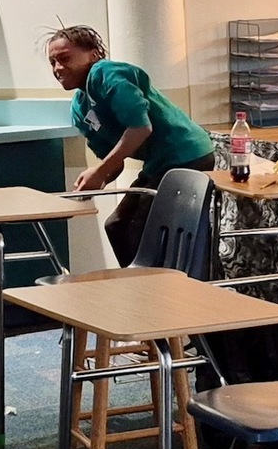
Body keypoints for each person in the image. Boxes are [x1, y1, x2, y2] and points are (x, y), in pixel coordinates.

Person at [46, 24, 215, 267]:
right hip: (158, 164)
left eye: (64, 58)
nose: (58, 68)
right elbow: (114, 164)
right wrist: (91, 184)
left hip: (187, 154)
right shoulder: (79, 108)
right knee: (117, 225)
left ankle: (160, 289)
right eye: (52, 62)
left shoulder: (106, 73)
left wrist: (101, 171)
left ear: (93, 55)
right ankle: (142, 286)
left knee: (145, 230)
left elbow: (140, 128)